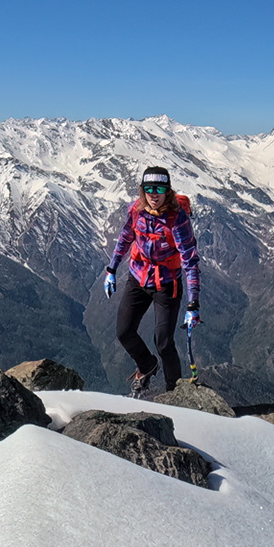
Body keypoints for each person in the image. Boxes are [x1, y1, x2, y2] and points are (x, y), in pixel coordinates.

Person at [103, 166, 201, 396]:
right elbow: (125, 238)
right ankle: (147, 366)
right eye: (149, 189)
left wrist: (193, 304)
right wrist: (112, 269)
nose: (154, 194)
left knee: (164, 343)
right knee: (124, 332)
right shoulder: (136, 211)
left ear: (168, 191)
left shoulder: (178, 219)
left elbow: (190, 261)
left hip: (167, 285)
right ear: (142, 190)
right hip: (138, 278)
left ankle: (174, 395)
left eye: (159, 189)